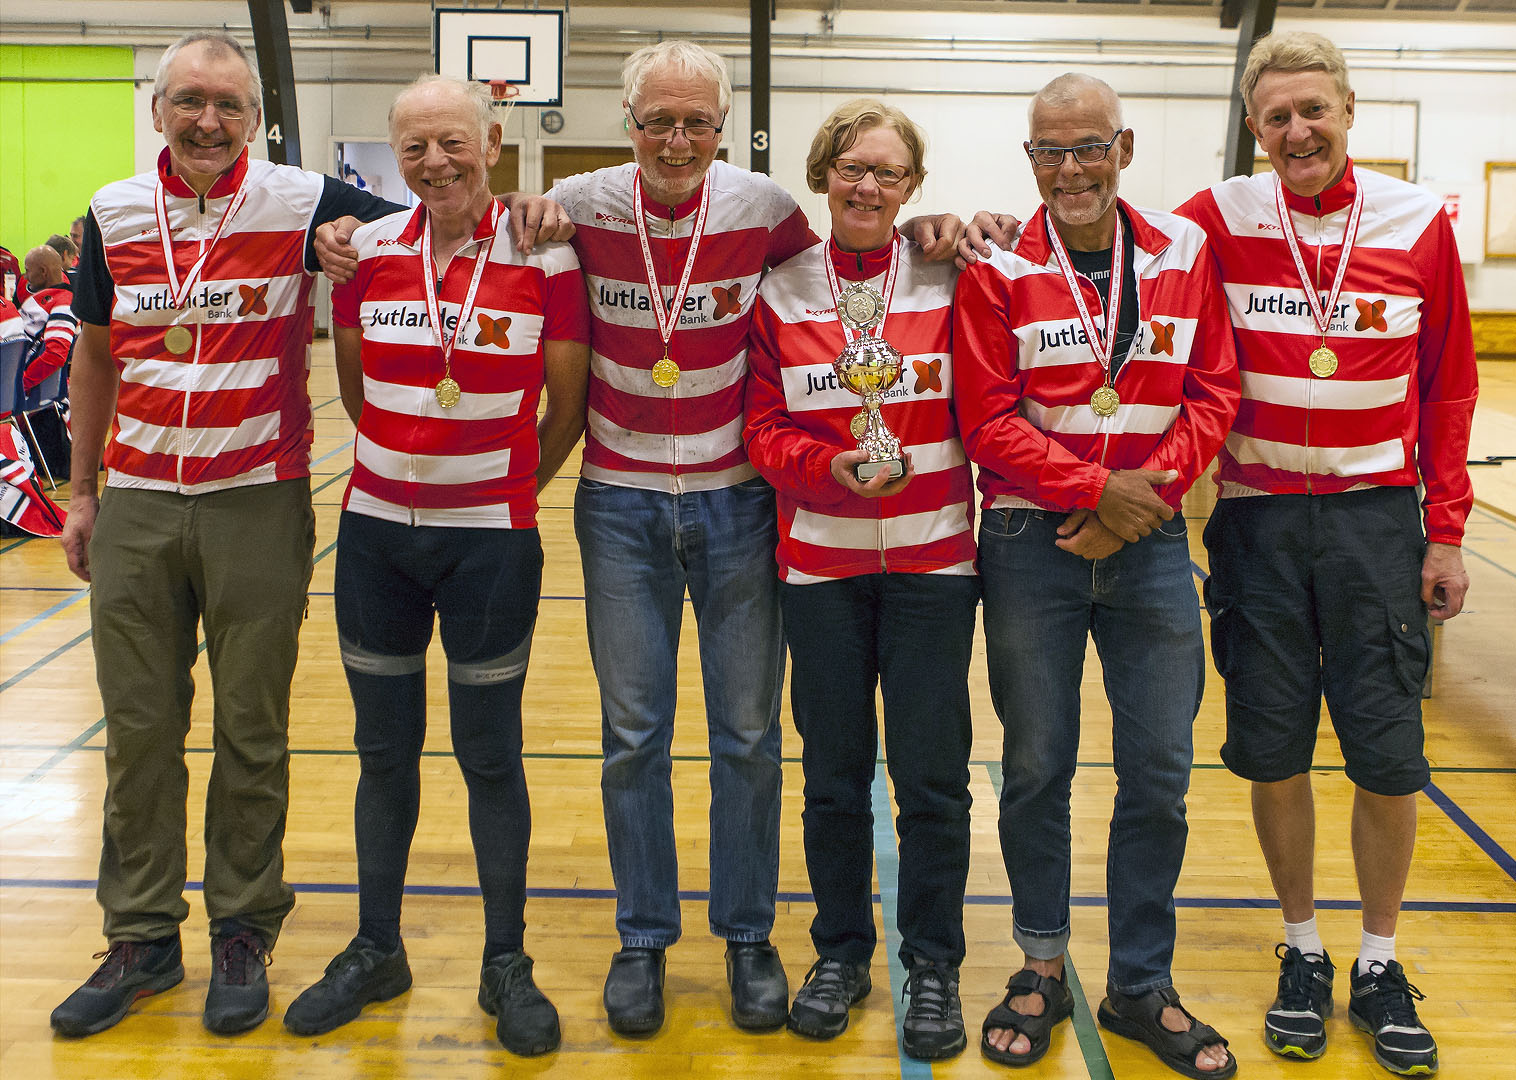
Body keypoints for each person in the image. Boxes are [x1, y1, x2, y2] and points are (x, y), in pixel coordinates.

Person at [314, 40, 965, 1037]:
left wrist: (928, 228)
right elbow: (489, 227)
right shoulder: (572, 207)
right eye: (657, 120)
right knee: (632, 738)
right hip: (618, 500)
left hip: (738, 499)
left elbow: (848, 270)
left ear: (723, 126)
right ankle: (643, 937)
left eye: (696, 122)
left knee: (748, 737)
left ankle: (747, 935)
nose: (675, 140)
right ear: (629, 124)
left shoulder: (766, 211)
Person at [49, 29, 398, 1039]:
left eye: (229, 106)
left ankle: (244, 927)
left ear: (256, 118)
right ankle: (141, 936)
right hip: (137, 502)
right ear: (157, 108)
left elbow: (440, 222)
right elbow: (95, 358)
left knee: (252, 727)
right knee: (139, 731)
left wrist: (529, 212)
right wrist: (82, 493)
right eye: (190, 102)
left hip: (257, 497)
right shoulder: (112, 212)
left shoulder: (302, 200)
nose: (208, 122)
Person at [1175, 31, 1476, 1077]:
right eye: (1277, 116)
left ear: (1348, 109)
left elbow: (1447, 387)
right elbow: (1110, 248)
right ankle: (1302, 947)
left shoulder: (1417, 218)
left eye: (1313, 109)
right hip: (1255, 522)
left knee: (1387, 755)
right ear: (1254, 128)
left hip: (1374, 523)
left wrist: (1446, 530)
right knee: (1273, 747)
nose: (1297, 130)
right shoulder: (1215, 217)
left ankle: (1379, 961)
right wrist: (981, 226)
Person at [280, 75, 590, 1056]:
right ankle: (378, 947)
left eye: (452, 142)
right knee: (382, 751)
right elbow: (355, 389)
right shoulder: (365, 250)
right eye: (414, 147)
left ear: (491, 143)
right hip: (375, 538)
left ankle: (506, 961)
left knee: (490, 753)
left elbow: (569, 404)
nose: (435, 163)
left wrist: (505, 493)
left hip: (491, 544)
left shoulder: (547, 252)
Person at [953, 73, 1239, 1078]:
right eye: (1049, 151)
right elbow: (985, 418)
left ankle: (1140, 983)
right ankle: (1039, 965)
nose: (1069, 169)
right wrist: (1095, 490)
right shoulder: (996, 266)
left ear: (1123, 148)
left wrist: (1141, 504)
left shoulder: (1184, 252)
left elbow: (1214, 391)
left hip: (1149, 544)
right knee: (1036, 767)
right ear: (1029, 158)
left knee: (1159, 772)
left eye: (1087, 147)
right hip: (1029, 542)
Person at [744, 99, 977, 1061]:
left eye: (887, 172)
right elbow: (761, 428)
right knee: (833, 781)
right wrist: (825, 468)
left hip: (935, 564)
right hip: (821, 569)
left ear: (913, 186)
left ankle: (934, 963)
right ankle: (840, 954)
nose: (868, 186)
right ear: (822, 176)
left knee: (932, 780)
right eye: (850, 168)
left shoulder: (954, 274)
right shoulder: (780, 288)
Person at [19, 244, 77, 391]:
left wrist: (21, 385)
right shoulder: (52, 296)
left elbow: (56, 355)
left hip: (16, 384)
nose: (25, 277)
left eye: (28, 270)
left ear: (43, 271)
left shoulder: (64, 304)